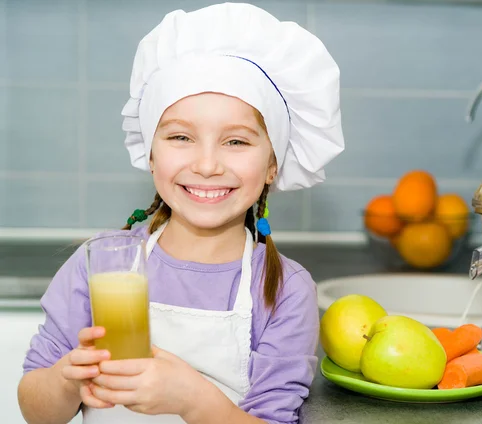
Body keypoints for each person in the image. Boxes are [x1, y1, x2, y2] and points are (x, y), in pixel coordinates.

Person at [16, 3, 344, 424]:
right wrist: (65, 381)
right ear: (151, 155)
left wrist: (192, 399)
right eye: (181, 136)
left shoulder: (284, 290)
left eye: (236, 142)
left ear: (272, 165)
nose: (207, 165)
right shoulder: (102, 263)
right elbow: (36, 411)